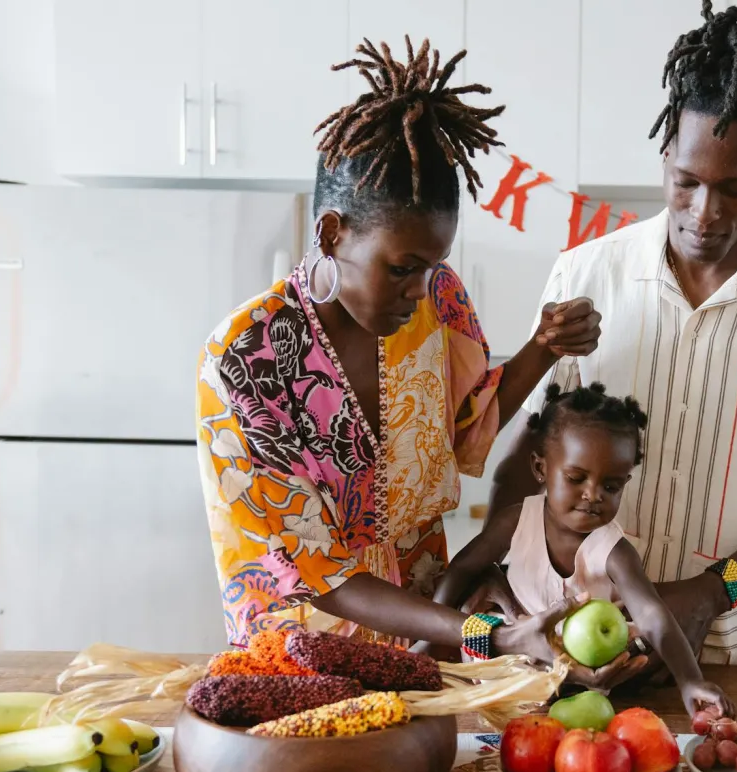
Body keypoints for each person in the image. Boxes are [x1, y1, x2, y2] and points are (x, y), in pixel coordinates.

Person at [487, 2, 737, 682]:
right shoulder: (585, 275)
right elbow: (528, 455)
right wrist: (496, 575)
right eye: (687, 183)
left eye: (735, 189)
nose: (706, 213)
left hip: (732, 645)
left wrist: (712, 592)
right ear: (665, 154)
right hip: (578, 640)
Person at [196, 37, 603, 666]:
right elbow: (318, 570)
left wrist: (544, 348)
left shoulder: (440, 300)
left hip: (426, 638)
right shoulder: (245, 358)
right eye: (403, 268)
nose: (421, 289)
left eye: (435, 265)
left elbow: (467, 425)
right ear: (332, 233)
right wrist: (483, 633)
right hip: (302, 659)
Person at [435, 383, 732, 716]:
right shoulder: (515, 521)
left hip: (588, 670)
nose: (593, 494)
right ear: (540, 469)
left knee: (635, 650)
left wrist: (690, 681)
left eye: (611, 486)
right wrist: (431, 639)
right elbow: (463, 568)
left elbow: (651, 614)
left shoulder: (614, 550)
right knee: (482, 633)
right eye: (576, 478)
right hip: (519, 653)